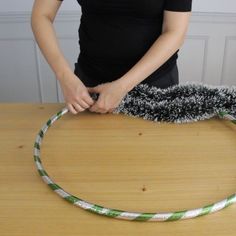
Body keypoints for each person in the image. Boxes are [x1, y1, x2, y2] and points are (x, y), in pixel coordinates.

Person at [31, 0, 192, 115]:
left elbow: (175, 32)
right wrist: (65, 76)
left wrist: (121, 87)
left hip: (155, 86)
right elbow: (42, 15)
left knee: (152, 159)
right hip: (90, 86)